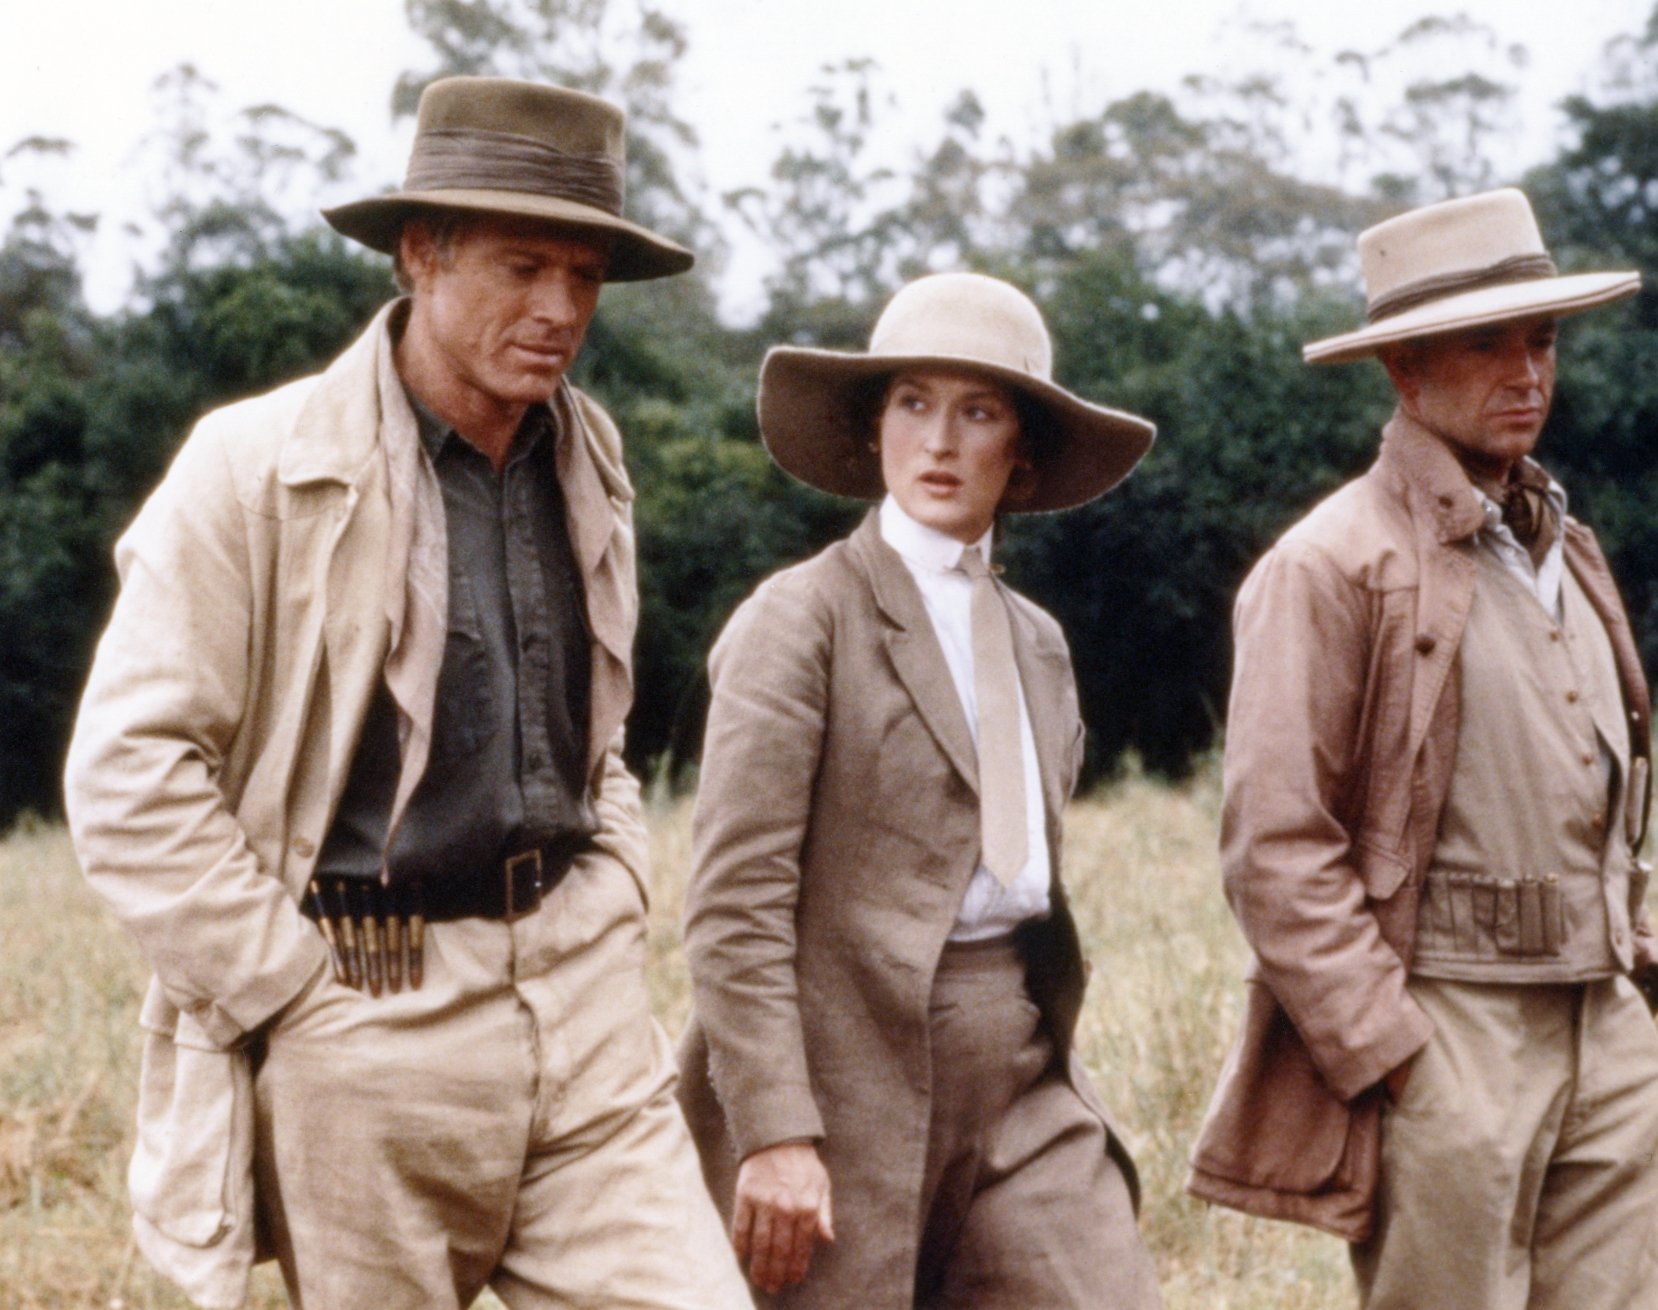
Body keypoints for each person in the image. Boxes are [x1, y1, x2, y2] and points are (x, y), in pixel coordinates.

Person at [65, 76, 750, 1310]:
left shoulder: (588, 454)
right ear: (420, 255)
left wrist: (613, 886)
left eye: (583, 276)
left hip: (584, 1002)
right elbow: (127, 775)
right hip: (364, 1006)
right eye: (521, 265)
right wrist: (290, 989)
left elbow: (595, 730)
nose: (557, 311)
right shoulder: (254, 466)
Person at [1187, 188, 1658, 1309]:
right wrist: (1390, 1049)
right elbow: (1272, 846)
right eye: (1483, 341)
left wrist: (1630, 961)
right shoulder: (1329, 562)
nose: (1525, 371)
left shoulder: (1563, 542)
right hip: (1445, 1021)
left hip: (1600, 1015)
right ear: (1402, 367)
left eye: (1540, 338)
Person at [676, 272, 1165, 1308]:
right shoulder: (799, 620)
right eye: (912, 403)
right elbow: (732, 906)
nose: (939, 440)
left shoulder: (1037, 642)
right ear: (872, 428)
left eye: (977, 410)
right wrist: (774, 1129)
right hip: (843, 1078)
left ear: (1021, 449)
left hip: (1020, 1070)